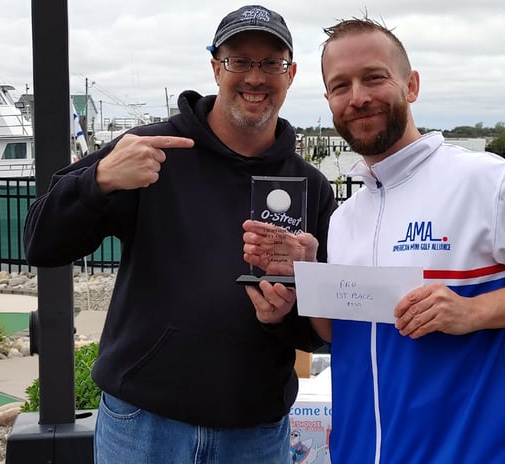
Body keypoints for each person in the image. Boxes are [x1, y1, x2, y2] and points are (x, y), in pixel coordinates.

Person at [245, 16, 505, 463]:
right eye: (341, 86)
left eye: (374, 77)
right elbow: (343, 337)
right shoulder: (345, 218)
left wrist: (472, 311)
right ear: (329, 101)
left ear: (412, 85)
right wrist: (305, 278)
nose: (358, 97)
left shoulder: (486, 181)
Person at [23, 5, 337, 463]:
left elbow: (319, 333)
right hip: (141, 426)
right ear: (216, 67)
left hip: (254, 433)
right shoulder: (150, 151)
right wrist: (99, 179)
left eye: (272, 63)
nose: (255, 77)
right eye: (239, 60)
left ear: (290, 74)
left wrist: (285, 313)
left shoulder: (311, 187)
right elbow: (40, 242)